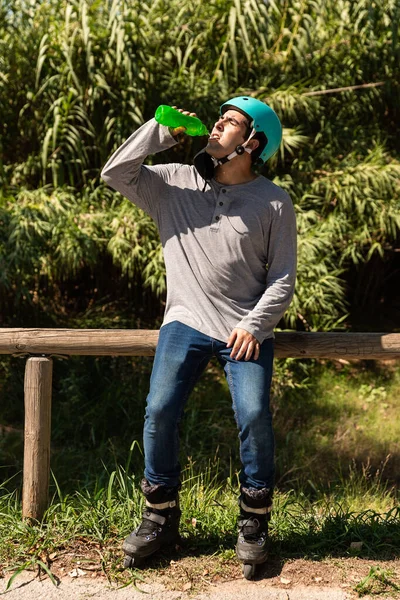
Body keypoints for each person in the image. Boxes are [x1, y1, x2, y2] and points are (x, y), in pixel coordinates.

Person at [101, 96, 297, 573]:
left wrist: (255, 324)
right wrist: (160, 131)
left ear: (252, 143)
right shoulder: (173, 182)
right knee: (160, 409)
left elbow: (283, 278)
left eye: (230, 123)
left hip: (244, 329)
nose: (216, 125)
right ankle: (160, 514)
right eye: (220, 117)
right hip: (185, 318)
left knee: (253, 415)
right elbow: (116, 173)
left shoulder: (274, 201)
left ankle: (254, 520)